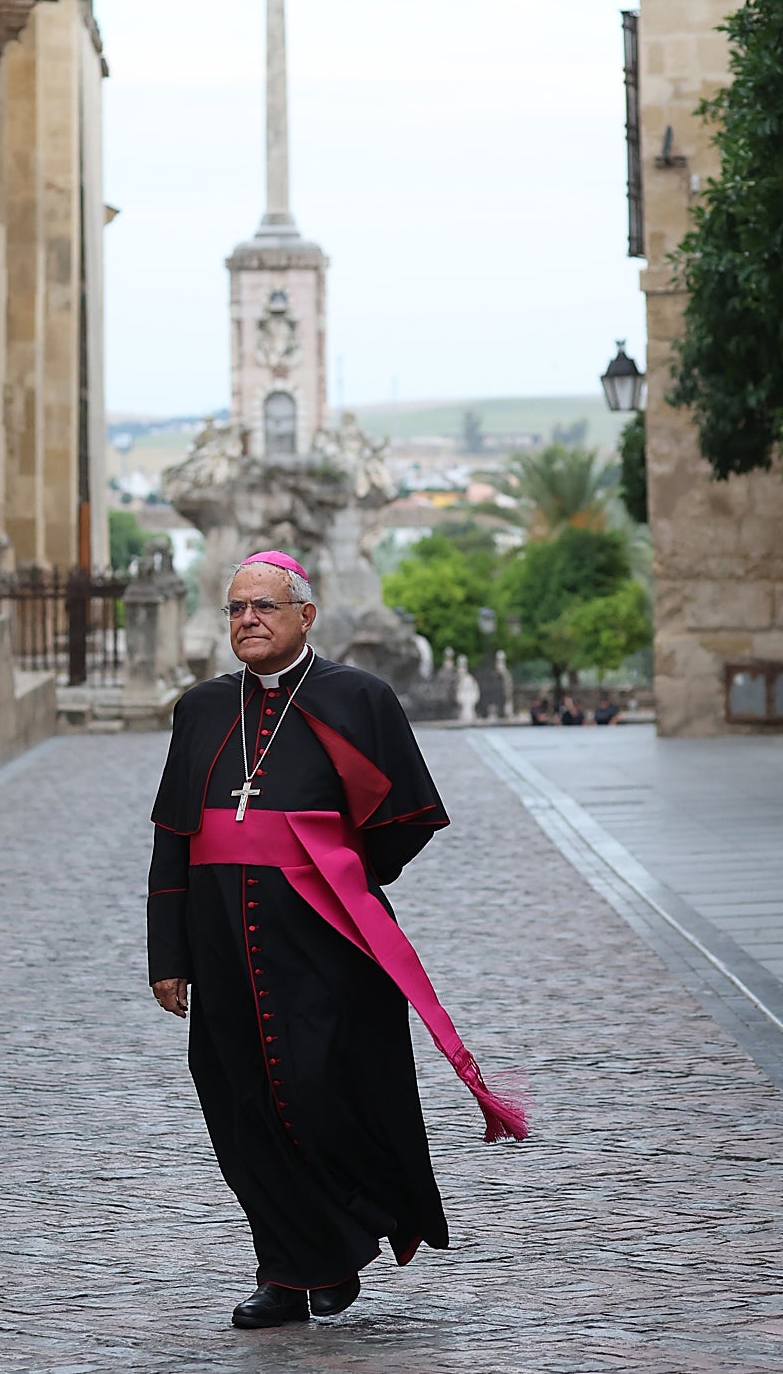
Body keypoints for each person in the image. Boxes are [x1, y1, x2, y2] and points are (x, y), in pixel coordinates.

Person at [147, 550, 527, 1330]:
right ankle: (289, 1274)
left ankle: (341, 1240)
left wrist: (341, 876)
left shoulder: (359, 697)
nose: (247, 620)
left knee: (323, 1097)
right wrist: (168, 955)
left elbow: (408, 818)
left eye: (264, 607)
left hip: (325, 951)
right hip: (223, 952)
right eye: (235, 609)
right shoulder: (202, 709)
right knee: (242, 1111)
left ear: (304, 616)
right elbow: (171, 839)